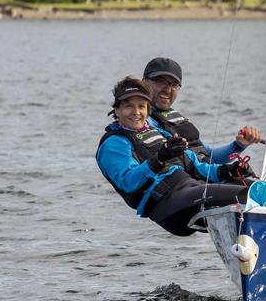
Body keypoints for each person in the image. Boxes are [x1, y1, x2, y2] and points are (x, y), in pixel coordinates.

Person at [96, 76, 256, 236]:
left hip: (190, 189)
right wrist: (159, 158)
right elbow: (128, 182)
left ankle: (263, 240)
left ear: (147, 109)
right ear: (116, 110)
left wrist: (228, 170)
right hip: (169, 205)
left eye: (141, 106)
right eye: (128, 106)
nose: (136, 112)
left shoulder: (159, 132)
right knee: (247, 195)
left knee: (254, 186)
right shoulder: (114, 143)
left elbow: (198, 167)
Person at [142, 57, 262, 163]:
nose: (168, 90)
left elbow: (210, 156)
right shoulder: (139, 121)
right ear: (144, 82)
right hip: (185, 183)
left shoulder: (173, 117)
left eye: (174, 84)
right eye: (161, 82)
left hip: (203, 177)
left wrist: (239, 145)